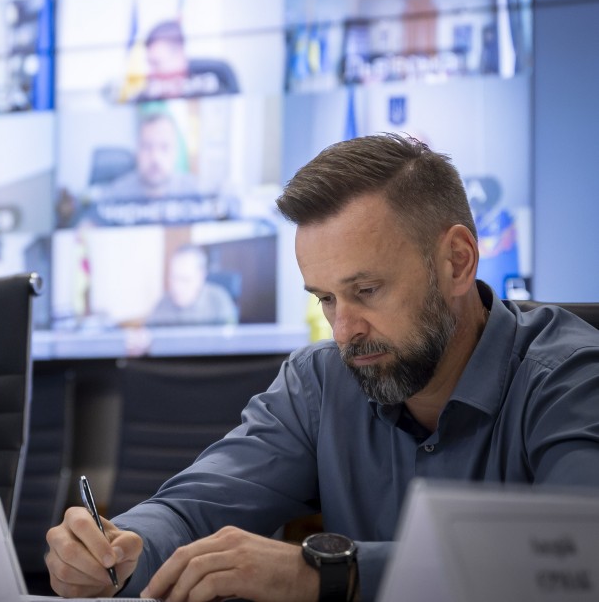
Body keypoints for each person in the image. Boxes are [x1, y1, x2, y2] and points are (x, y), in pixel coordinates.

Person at [46, 134, 599, 601]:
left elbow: (578, 559)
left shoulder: (571, 376)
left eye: (366, 290)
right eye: (326, 299)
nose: (344, 331)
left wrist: (328, 573)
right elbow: (193, 511)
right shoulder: (319, 381)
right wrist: (118, 549)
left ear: (457, 261)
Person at [99, 108, 200, 201]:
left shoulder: (196, 192)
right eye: (147, 147)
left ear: (175, 151)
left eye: (164, 147)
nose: (155, 157)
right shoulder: (115, 195)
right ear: (136, 151)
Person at [136, 20, 240, 102]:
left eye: (156, 63)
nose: (151, 72)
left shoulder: (210, 90)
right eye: (149, 63)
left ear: (179, 56)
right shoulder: (147, 97)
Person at [145, 245, 238, 327]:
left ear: (200, 277)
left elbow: (230, 337)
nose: (176, 287)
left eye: (184, 279)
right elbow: (150, 334)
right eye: (173, 277)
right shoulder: (163, 304)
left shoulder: (218, 300)